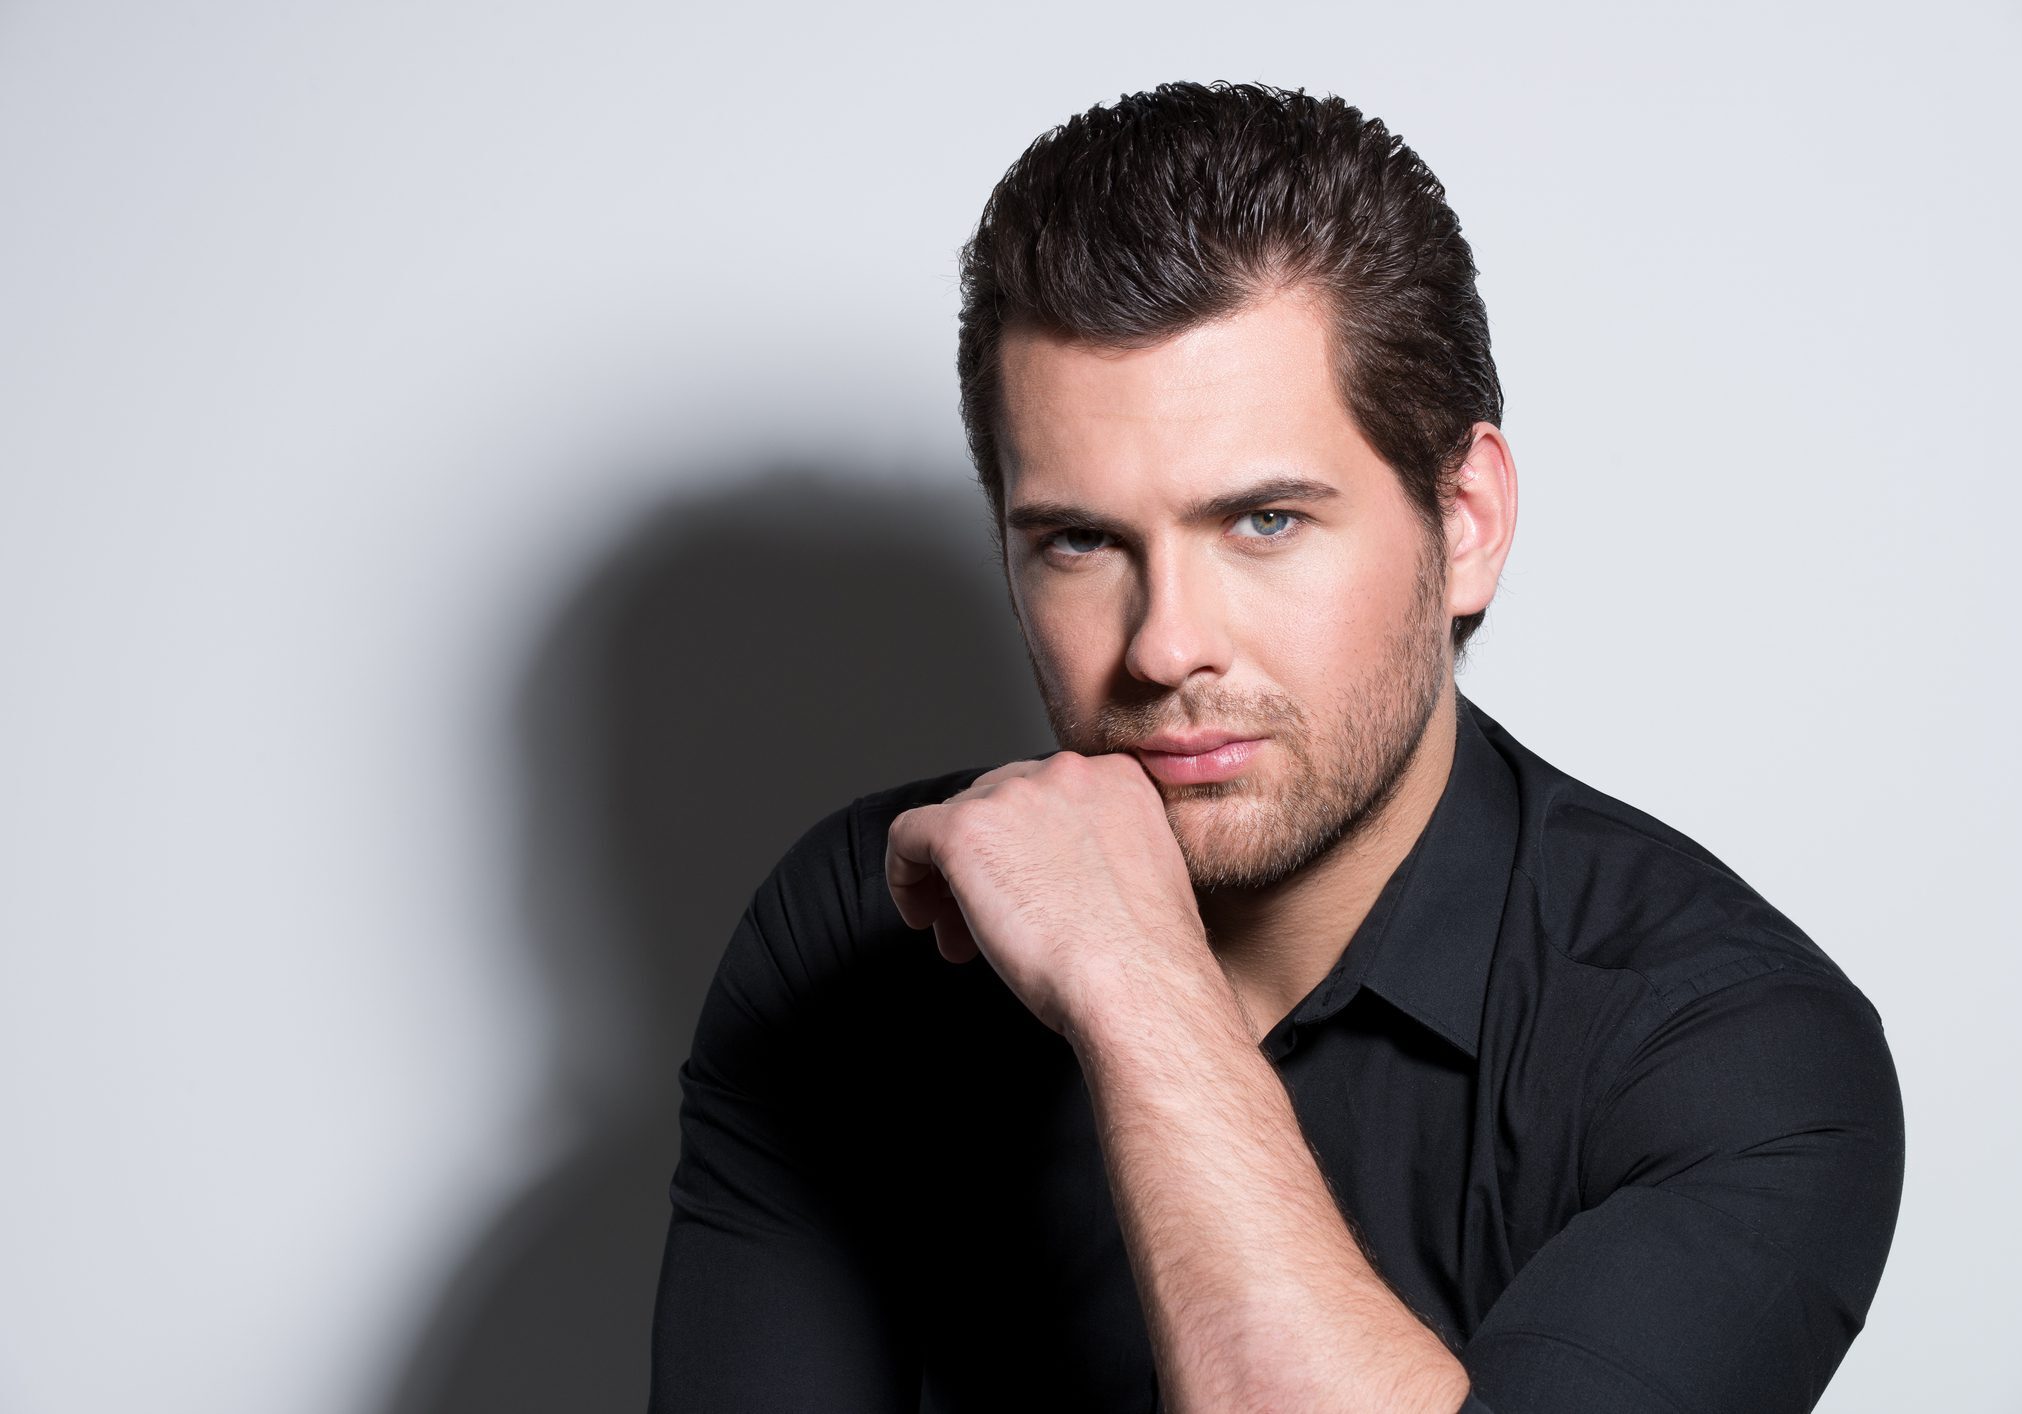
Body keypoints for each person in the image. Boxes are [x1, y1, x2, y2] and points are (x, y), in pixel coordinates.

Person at [648, 81, 1904, 1413]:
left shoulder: (1733, 1051)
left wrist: (1134, 985)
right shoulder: (856, 933)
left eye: (1263, 522)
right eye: (1079, 541)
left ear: (1464, 521)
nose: (1163, 647)